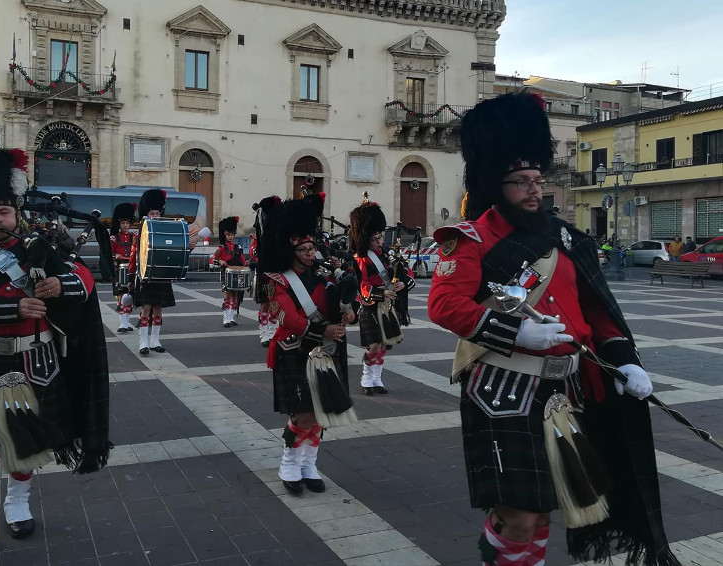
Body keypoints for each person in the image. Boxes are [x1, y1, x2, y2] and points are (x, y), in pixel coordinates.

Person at [427, 93, 677, 566]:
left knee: (543, 510)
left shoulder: (566, 240)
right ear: (494, 184)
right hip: (502, 386)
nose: (534, 190)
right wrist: (515, 334)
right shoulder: (471, 240)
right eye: (521, 182)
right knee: (520, 514)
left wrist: (625, 362)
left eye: (537, 180)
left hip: (566, 388)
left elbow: (598, 312)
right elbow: (443, 304)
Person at [0, 148, 110, 566]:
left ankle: (18, 505)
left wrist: (59, 284)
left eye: (4, 211)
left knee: (25, 442)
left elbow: (83, 275)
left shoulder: (38, 247)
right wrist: (11, 308)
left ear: (15, 213)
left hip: (33, 361)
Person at [262, 197, 357, 496]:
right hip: (295, 350)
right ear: (290, 250)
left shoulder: (324, 275)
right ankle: (289, 462)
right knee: (303, 414)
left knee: (323, 413)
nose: (310, 253)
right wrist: (323, 328)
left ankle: (309, 464)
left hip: (327, 349)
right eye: (303, 249)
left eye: (311, 247)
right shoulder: (276, 280)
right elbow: (288, 317)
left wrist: (349, 311)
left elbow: (338, 305)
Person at [349, 197, 415, 396]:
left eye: (380, 237)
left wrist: (403, 284)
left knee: (384, 343)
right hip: (371, 305)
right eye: (375, 239)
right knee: (373, 343)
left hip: (390, 304)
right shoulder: (360, 258)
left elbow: (407, 272)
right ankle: (367, 378)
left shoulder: (389, 253)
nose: (379, 242)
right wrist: (381, 292)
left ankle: (377, 379)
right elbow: (361, 285)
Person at [128, 189, 174, 355]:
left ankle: (155, 340)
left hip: (161, 275)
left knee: (158, 309)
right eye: (152, 213)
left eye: (157, 212)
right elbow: (134, 255)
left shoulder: (166, 229)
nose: (155, 215)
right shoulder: (140, 232)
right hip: (145, 274)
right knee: (146, 308)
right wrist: (130, 276)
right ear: (146, 214)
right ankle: (143, 341)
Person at [252, 196, 282, 345]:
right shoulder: (262, 225)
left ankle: (272, 330)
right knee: (264, 303)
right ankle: (264, 332)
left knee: (276, 303)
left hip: (277, 267)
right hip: (264, 267)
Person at [213, 216, 247, 328]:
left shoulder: (238, 247)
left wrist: (246, 263)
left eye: (232, 234)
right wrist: (220, 260)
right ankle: (226, 319)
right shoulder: (221, 248)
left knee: (235, 296)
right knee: (227, 297)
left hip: (237, 275)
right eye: (228, 234)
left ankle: (231, 317)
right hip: (225, 275)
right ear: (225, 235)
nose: (231, 236)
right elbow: (212, 259)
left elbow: (242, 261)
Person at [110, 202, 138, 333]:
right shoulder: (114, 238)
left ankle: (126, 322)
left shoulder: (134, 237)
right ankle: (123, 323)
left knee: (130, 296)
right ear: (119, 224)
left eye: (127, 223)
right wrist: (116, 255)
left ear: (130, 224)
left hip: (132, 270)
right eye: (122, 223)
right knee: (121, 296)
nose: (125, 225)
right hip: (119, 269)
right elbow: (110, 253)